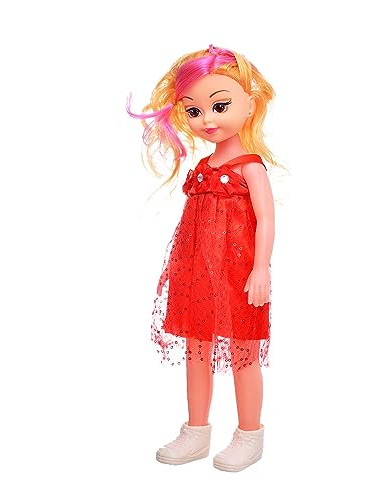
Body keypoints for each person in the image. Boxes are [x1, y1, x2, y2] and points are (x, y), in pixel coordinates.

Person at [127, 44, 281, 472]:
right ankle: (197, 431)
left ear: (251, 102)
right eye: (194, 111)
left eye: (220, 105)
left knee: (243, 352)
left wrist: (261, 268)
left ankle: (249, 434)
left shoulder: (251, 166)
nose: (207, 120)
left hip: (239, 274)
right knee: (198, 349)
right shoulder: (203, 167)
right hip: (196, 272)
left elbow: (266, 219)